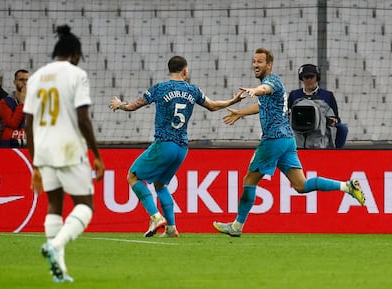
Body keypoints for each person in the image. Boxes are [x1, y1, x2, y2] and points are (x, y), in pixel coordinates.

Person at [212, 48, 365, 237]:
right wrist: (240, 113)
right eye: (254, 61)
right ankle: (347, 186)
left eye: (259, 62)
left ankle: (236, 226)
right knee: (301, 185)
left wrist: (254, 90)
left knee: (249, 180)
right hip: (287, 140)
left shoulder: (272, 81)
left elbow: (264, 89)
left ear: (269, 65)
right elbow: (261, 105)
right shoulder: (270, 86)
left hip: (273, 140)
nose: (255, 65)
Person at [109, 55, 245, 238]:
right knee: (160, 184)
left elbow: (134, 105)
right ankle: (171, 228)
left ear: (169, 70)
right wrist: (231, 102)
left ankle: (155, 216)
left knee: (132, 176)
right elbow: (212, 106)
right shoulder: (192, 90)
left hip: (164, 143)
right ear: (185, 71)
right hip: (182, 148)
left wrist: (120, 105)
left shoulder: (160, 88)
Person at [24, 25, 105, 282]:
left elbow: (28, 123)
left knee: (54, 204)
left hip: (43, 150)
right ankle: (56, 245)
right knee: (86, 206)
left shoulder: (36, 77)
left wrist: (35, 162)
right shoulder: (76, 74)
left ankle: (57, 270)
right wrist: (97, 154)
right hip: (69, 148)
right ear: (74, 53)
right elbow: (83, 117)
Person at [288, 64, 348, 148]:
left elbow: (336, 117)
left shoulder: (328, 95)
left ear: (317, 78)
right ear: (302, 79)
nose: (309, 80)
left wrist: (333, 120)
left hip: (321, 127)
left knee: (342, 128)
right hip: (298, 128)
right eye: (306, 77)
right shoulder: (294, 95)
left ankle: (336, 154)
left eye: (311, 77)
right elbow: (288, 113)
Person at [0, 69, 29, 147]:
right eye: (21, 80)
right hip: (9, 145)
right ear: (15, 82)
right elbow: (13, 124)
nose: (25, 83)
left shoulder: (35, 101)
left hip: (28, 143)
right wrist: (22, 103)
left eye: (27, 80)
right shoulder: (5, 102)